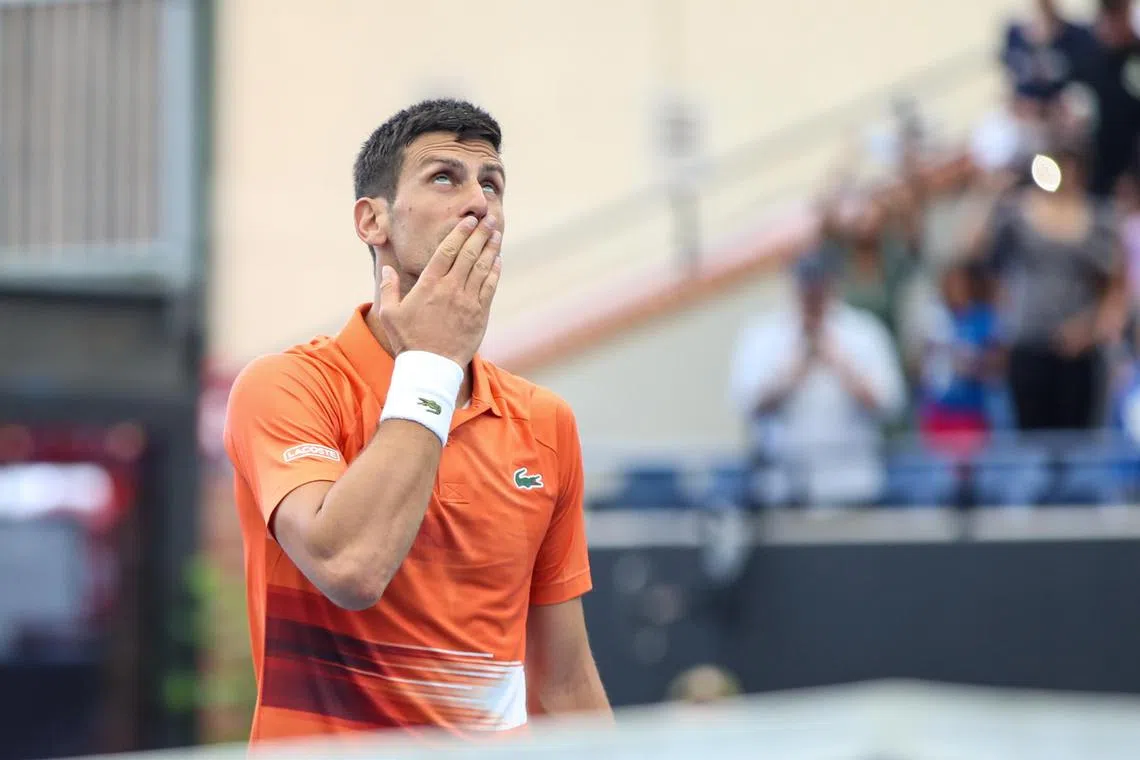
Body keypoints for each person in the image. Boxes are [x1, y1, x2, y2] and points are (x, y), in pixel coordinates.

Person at [223, 99, 612, 742]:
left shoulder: (546, 422)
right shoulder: (286, 386)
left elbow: (564, 683)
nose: (479, 203)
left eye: (492, 183)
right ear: (371, 220)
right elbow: (349, 567)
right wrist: (432, 363)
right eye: (444, 178)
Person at [728, 252, 906, 509]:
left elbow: (889, 404)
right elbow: (746, 404)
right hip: (782, 488)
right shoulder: (762, 335)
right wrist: (791, 374)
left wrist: (840, 364)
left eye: (819, 284)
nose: (812, 293)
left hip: (851, 486)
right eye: (805, 284)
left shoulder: (864, 332)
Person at [977, 136, 1126, 431]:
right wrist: (990, 195)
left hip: (1078, 347)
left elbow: (1115, 285)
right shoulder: (1016, 213)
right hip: (1027, 340)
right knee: (1032, 438)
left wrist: (1092, 328)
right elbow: (979, 260)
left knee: (1076, 439)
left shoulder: (1099, 218)